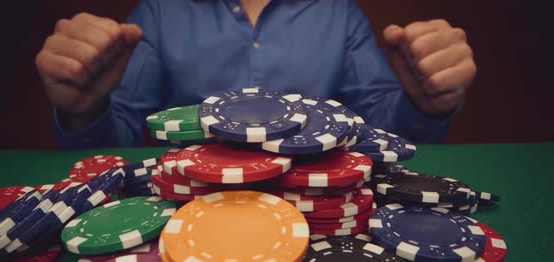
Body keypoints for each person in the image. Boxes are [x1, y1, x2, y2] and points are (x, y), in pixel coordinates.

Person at [36, 0, 476, 148]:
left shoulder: (337, 10)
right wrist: (84, 112)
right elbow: (122, 138)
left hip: (318, 208)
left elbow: (383, 127)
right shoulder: (160, 9)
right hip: (187, 205)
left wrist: (423, 107)